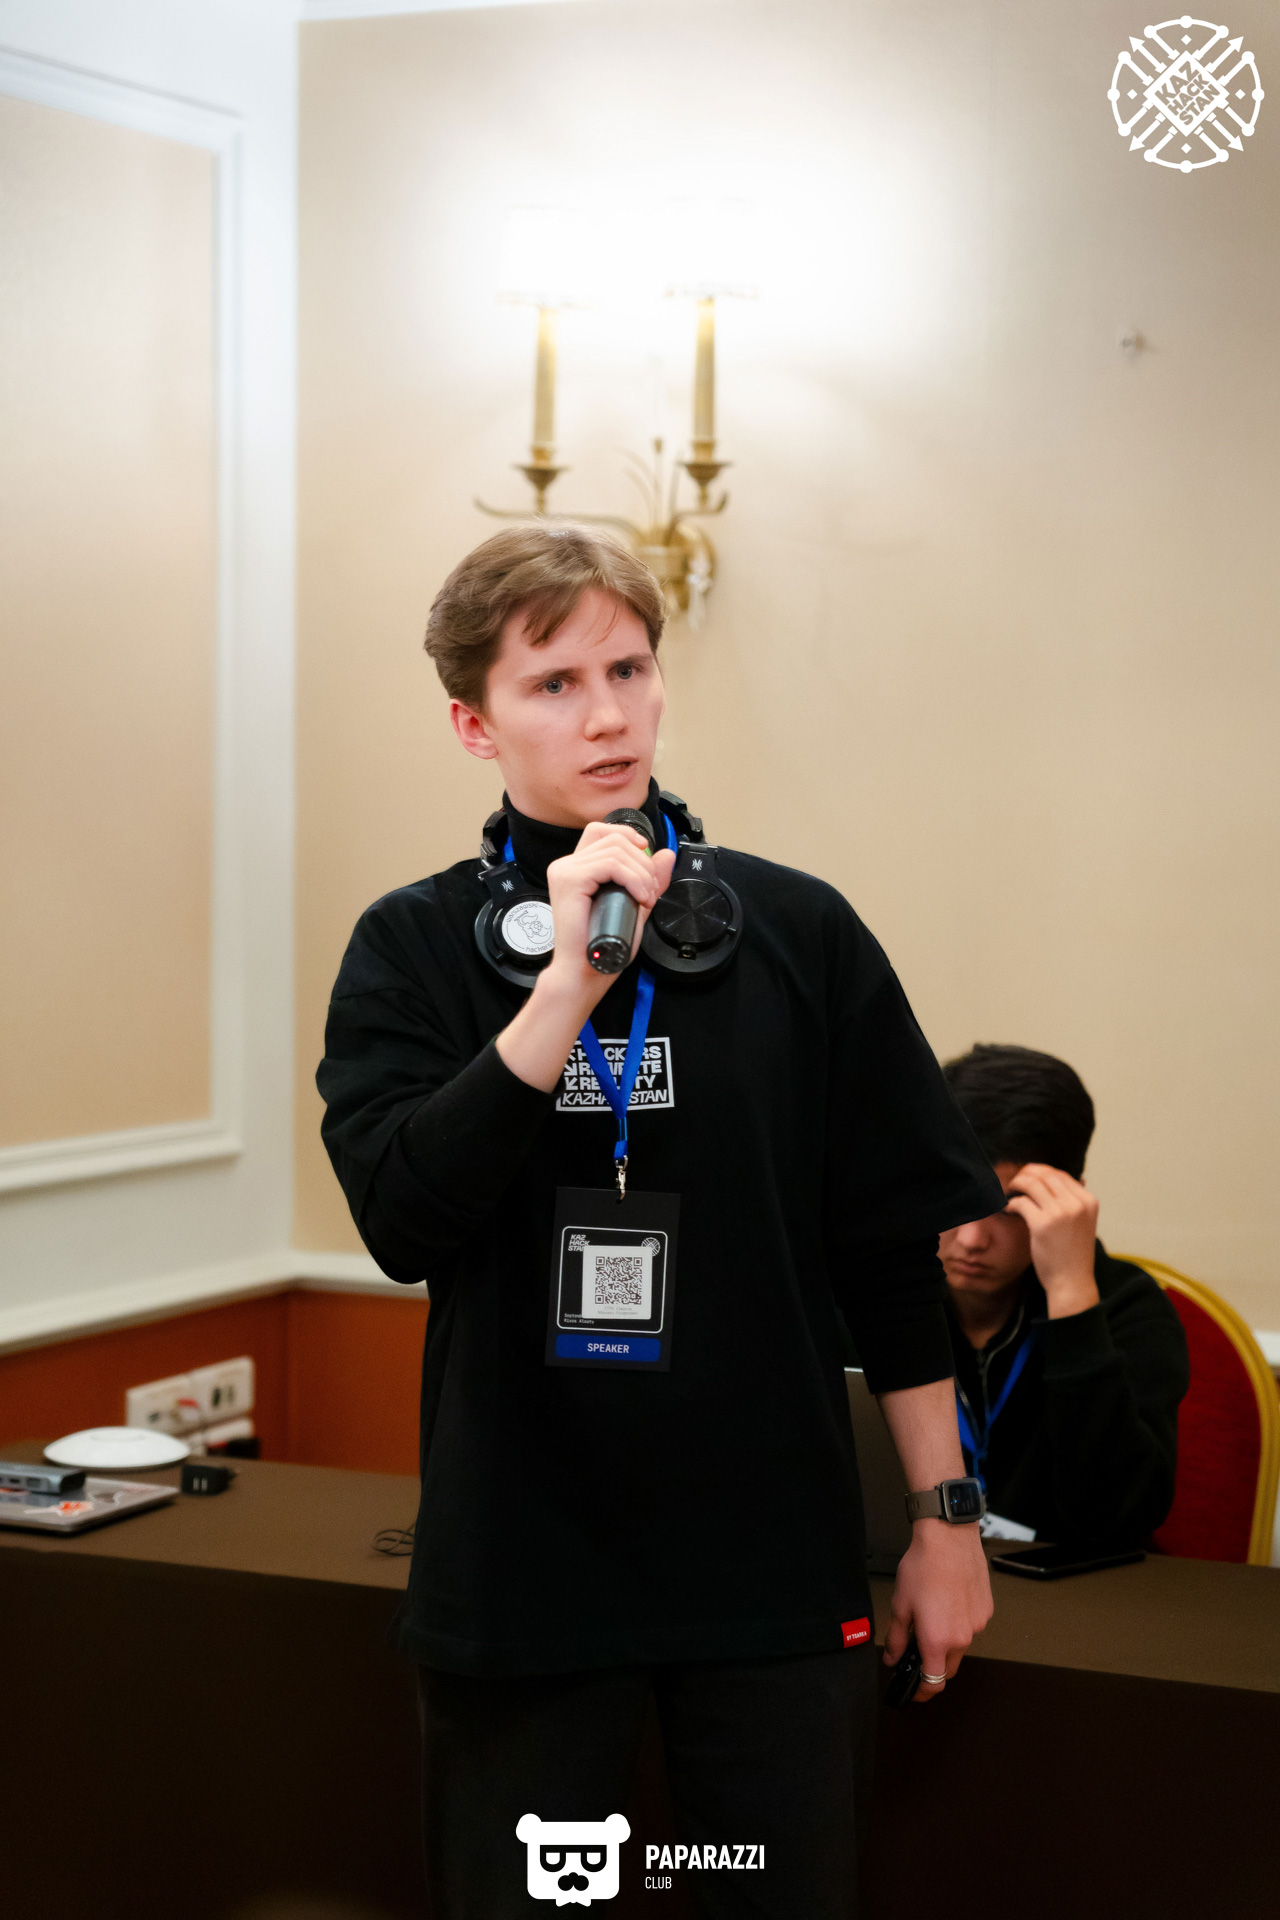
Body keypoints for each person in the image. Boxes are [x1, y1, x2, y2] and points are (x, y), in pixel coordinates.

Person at [318, 524, 1006, 1920]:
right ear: (473, 724)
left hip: (768, 1568)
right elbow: (404, 1219)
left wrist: (945, 1522)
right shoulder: (411, 946)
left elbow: (885, 1249)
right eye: (554, 683)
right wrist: (564, 985)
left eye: (628, 669)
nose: (608, 716)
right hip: (524, 1573)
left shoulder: (799, 931)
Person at [939, 1043, 1189, 1547]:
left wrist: (1071, 1296)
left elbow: (1118, 1518)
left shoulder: (1129, 1308)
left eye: (1009, 1208)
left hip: (1074, 1585)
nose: (971, 1239)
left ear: (1067, 1199)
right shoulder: (873, 1295)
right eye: (955, 1195)